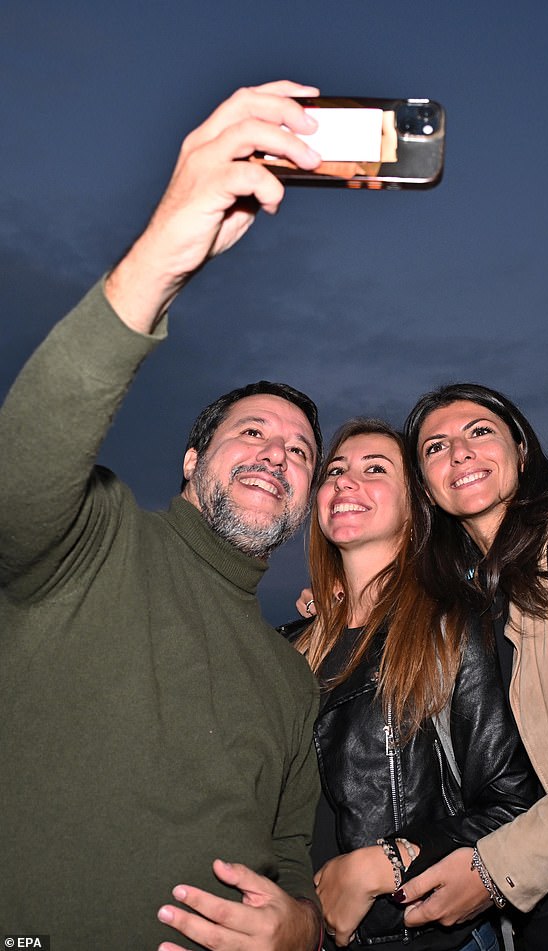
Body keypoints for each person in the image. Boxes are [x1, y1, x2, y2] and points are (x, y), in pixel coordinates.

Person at [0, 80, 330, 951]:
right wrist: (160, 260)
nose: (276, 455)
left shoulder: (291, 680)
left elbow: (294, 858)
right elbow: (19, 475)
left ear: (304, 504)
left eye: (300, 452)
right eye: (251, 432)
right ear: (192, 462)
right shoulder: (92, 538)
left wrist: (299, 929)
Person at [396, 383, 548, 950]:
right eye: (435, 447)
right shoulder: (463, 599)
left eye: (480, 432)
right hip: (535, 907)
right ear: (424, 486)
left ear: (521, 451)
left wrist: (490, 868)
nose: (459, 453)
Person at [284, 418, 536, 951]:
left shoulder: (452, 628)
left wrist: (387, 863)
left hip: (422, 939)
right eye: (335, 470)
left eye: (375, 469)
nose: (345, 482)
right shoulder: (287, 648)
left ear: (414, 509)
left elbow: (515, 799)